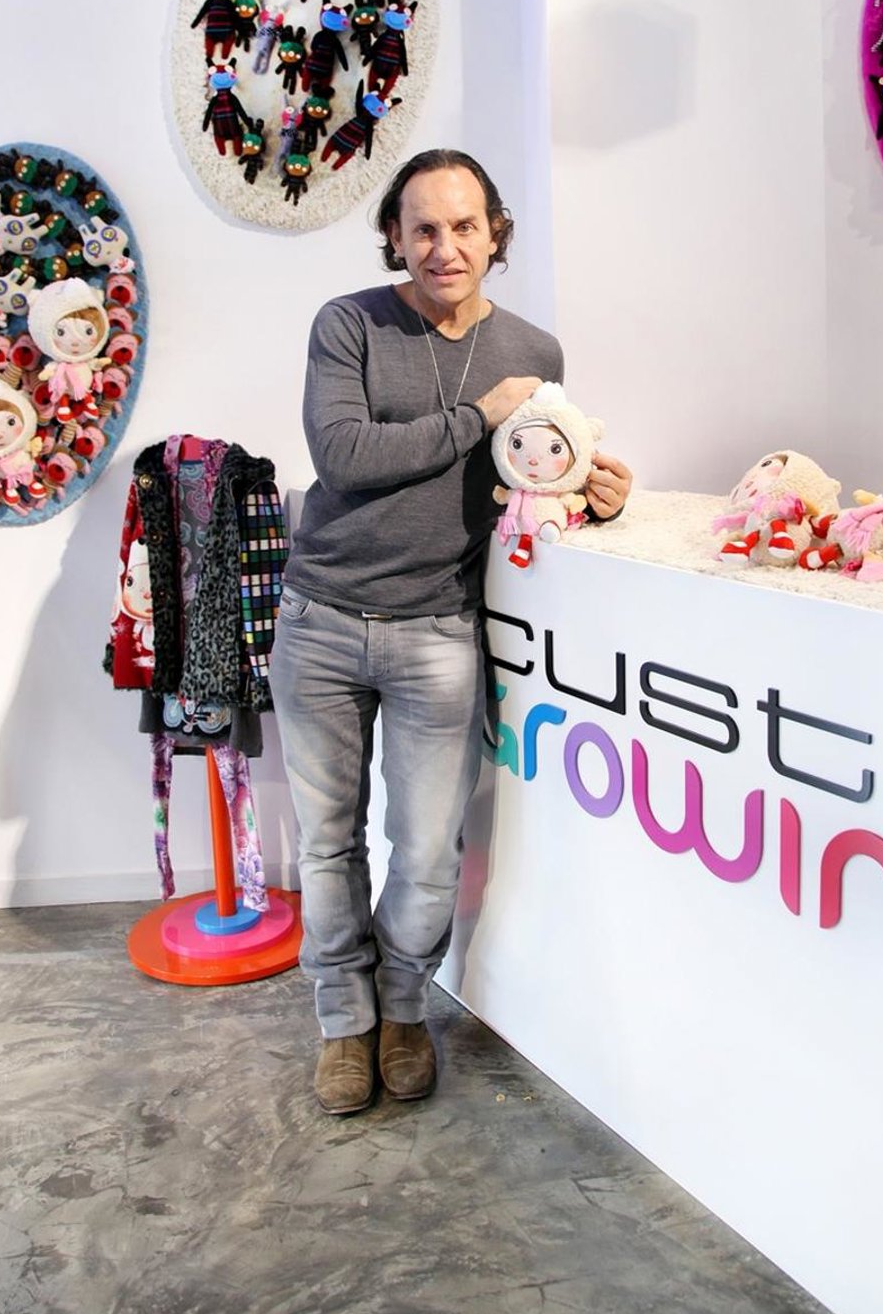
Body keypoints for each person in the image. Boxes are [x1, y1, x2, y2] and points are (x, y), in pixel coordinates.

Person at [270, 149, 632, 1114]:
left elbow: (532, 479)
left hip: (437, 626)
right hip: (320, 620)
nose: (444, 247)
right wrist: (479, 412)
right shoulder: (348, 323)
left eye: (464, 226)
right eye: (423, 228)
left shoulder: (535, 351)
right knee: (328, 844)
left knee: (429, 850)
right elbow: (342, 455)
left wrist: (594, 494)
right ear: (395, 235)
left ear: (494, 232)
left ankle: (403, 1010)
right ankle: (343, 1022)